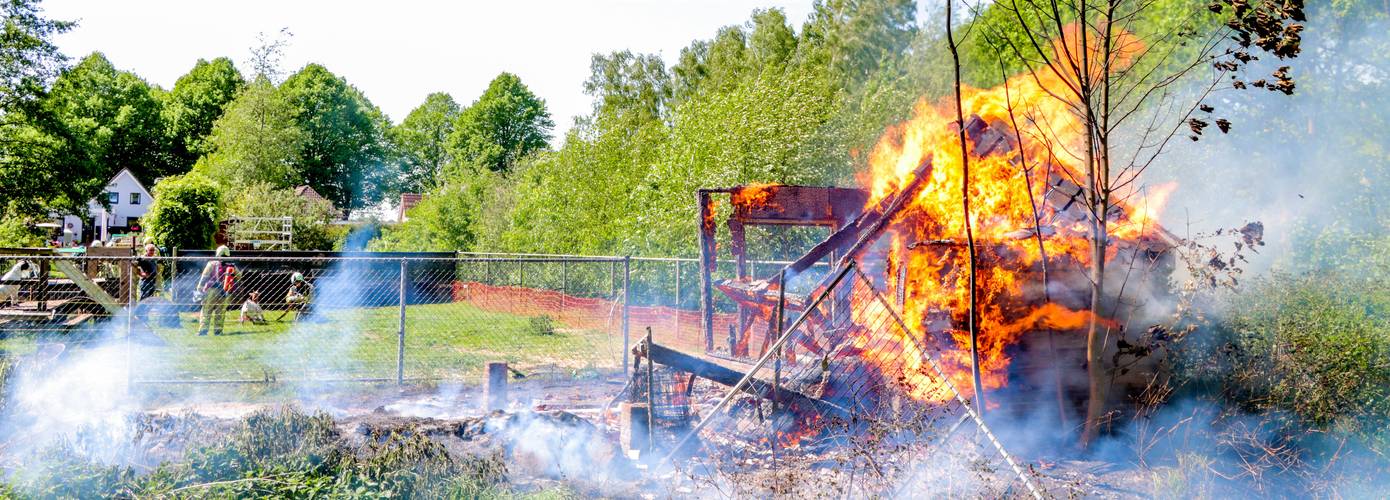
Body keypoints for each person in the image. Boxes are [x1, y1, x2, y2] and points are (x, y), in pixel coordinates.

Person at [196, 246, 235, 336]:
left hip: (211, 290)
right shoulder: (232, 266)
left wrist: (200, 287)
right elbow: (239, 276)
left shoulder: (212, 264)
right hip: (225, 291)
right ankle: (218, 331)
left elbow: (204, 276)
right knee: (220, 312)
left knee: (206, 310)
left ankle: (203, 330)